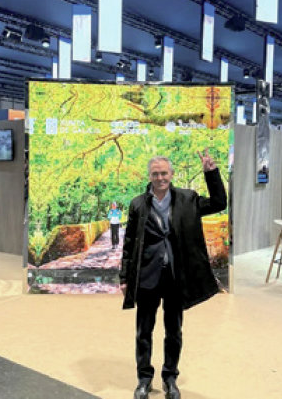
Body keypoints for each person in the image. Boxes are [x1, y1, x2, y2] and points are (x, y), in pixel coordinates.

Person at [120, 151, 226, 399]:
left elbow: (219, 203)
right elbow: (129, 243)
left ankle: (170, 378)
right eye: (155, 174)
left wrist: (211, 173)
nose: (160, 178)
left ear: (171, 174)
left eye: (164, 173)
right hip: (147, 276)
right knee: (143, 332)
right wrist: (124, 277)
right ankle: (144, 379)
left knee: (174, 331)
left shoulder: (188, 199)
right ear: (150, 176)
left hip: (177, 277)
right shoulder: (138, 204)